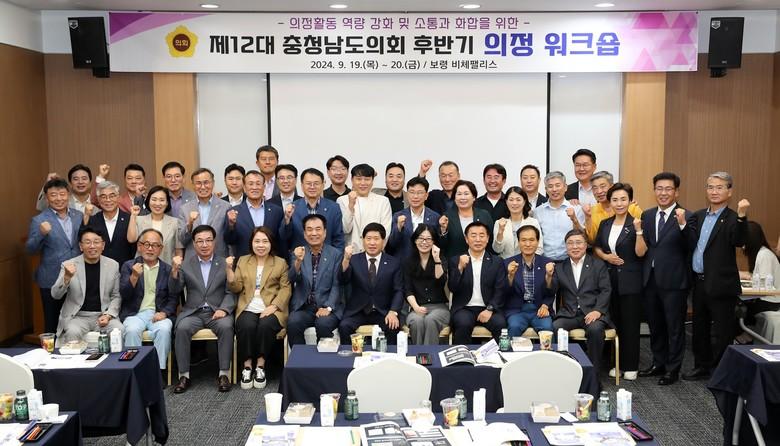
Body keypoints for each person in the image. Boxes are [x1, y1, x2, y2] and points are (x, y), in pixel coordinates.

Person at [684, 172, 749, 380]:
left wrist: (742, 216)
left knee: (723, 332)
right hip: (699, 282)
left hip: (721, 284)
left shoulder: (733, 218)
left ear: (729, 192)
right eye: (710, 187)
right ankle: (702, 367)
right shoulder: (699, 216)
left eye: (719, 187)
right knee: (699, 328)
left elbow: (739, 241)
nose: (714, 191)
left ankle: (721, 372)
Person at [638, 172, 693, 386]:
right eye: (659, 188)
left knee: (674, 327)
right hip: (650, 279)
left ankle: (672, 369)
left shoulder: (687, 216)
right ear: (654, 191)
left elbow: (692, 245)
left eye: (668, 189)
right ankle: (658, 363)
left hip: (674, 281)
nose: (663, 193)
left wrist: (683, 225)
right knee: (656, 325)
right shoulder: (647, 215)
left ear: (676, 192)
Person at [170, 225, 236, 393]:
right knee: (182, 328)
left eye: (208, 240)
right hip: (194, 312)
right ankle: (184, 375)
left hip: (217, 311)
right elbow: (175, 290)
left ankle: (224, 374)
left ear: (214, 242)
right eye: (200, 241)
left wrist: (224, 309)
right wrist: (175, 271)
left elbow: (231, 291)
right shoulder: (186, 264)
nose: (204, 245)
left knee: (226, 326)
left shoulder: (225, 263)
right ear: (194, 243)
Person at [593, 183, 647, 381]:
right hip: (609, 279)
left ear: (630, 200)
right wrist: (606, 257)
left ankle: (630, 366)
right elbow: (597, 247)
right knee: (613, 323)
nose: (619, 203)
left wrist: (639, 232)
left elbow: (641, 252)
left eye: (623, 199)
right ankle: (615, 364)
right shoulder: (605, 223)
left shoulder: (637, 223)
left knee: (630, 324)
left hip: (630, 280)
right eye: (615, 199)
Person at [227, 227, 290, 390]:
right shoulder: (243, 261)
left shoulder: (280, 263)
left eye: (265, 241)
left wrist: (274, 306)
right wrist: (229, 271)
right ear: (251, 243)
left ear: (271, 243)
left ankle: (260, 366)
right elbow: (236, 288)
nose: (261, 245)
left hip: (271, 307)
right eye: (257, 241)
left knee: (265, 325)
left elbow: (286, 288)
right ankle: (247, 367)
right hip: (248, 306)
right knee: (246, 326)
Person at [551, 229, 612, 377]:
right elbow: (551, 290)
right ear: (566, 246)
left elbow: (606, 290)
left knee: (595, 329)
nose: (575, 246)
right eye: (570, 243)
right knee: (556, 326)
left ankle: (593, 375)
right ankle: (563, 371)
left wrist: (598, 311)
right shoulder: (560, 267)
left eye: (578, 242)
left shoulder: (598, 264)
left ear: (586, 245)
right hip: (570, 313)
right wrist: (548, 276)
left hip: (593, 312)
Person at [26, 178, 83, 333]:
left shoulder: (79, 216)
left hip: (77, 277)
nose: (58, 198)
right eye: (53, 195)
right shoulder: (39, 220)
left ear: (68, 195)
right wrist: (41, 233)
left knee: (75, 322)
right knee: (52, 324)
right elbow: (30, 249)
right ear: (46, 197)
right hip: (51, 278)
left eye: (62, 194)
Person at [50, 226, 123, 344]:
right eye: (87, 242)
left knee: (119, 329)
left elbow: (116, 295)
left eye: (96, 242)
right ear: (81, 246)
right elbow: (55, 295)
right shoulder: (68, 265)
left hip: (103, 315)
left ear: (103, 245)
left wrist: (108, 315)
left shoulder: (112, 265)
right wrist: (66, 277)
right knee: (72, 331)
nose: (92, 246)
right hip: (77, 316)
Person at [119, 228, 177, 372]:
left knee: (164, 329)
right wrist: (134, 277)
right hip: (135, 313)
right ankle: (133, 371)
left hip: (158, 313)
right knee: (132, 330)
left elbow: (173, 297)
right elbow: (124, 295)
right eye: (146, 244)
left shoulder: (167, 269)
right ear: (139, 246)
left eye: (155, 245)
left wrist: (165, 313)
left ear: (161, 249)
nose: (150, 249)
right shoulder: (129, 266)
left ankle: (158, 371)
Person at [338, 223, 403, 343]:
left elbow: (398, 290)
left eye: (376, 239)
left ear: (383, 241)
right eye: (368, 239)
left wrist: (393, 311)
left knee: (393, 326)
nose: (372, 243)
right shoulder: (353, 260)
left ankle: (389, 355)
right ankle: (349, 356)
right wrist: (346, 259)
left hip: (383, 311)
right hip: (358, 311)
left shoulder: (393, 263)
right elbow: (342, 279)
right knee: (344, 326)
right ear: (363, 240)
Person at [287, 214, 343, 346]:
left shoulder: (335, 254)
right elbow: (292, 278)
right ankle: (300, 358)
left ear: (325, 232)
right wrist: (298, 261)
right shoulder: (299, 252)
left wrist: (328, 307)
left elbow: (337, 284)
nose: (314, 233)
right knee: (293, 322)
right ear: (304, 234)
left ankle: (323, 359)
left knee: (323, 324)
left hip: (327, 306)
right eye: (309, 229)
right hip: (304, 307)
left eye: (318, 229)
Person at [449, 221, 507, 344]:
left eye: (482, 235)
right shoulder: (456, 260)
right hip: (464, 308)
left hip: (489, 307)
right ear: (466, 239)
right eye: (473, 235)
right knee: (463, 323)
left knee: (500, 324)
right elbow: (452, 288)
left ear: (487, 239)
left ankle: (499, 355)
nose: (478, 239)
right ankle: (463, 355)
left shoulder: (497, 262)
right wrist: (460, 268)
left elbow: (500, 290)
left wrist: (490, 309)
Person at [504, 225, 555, 337]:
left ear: (538, 242)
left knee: (547, 328)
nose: (528, 244)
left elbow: (552, 291)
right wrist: (510, 276)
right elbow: (504, 292)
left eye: (532, 240)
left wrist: (545, 305)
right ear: (518, 242)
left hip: (539, 309)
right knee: (514, 326)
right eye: (523, 240)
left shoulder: (547, 263)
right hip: (517, 310)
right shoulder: (507, 263)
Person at [404, 224, 450, 345]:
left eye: (429, 239)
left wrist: (437, 260)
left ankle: (428, 354)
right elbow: (407, 289)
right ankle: (419, 353)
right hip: (417, 307)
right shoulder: (408, 262)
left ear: (434, 241)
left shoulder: (441, 259)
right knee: (416, 321)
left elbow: (441, 281)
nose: (424, 242)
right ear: (415, 240)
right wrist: (416, 308)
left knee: (431, 320)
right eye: (421, 238)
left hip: (440, 307)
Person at [282, 168, 344, 252]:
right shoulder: (292, 208)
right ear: (302, 185)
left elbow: (338, 238)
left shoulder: (333, 207)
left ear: (323, 185)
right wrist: (287, 220)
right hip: (300, 257)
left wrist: (336, 257)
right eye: (308, 183)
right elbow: (284, 237)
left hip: (327, 257)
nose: (312, 187)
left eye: (316, 183)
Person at [225, 170, 285, 257]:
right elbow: (229, 240)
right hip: (244, 261)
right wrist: (231, 225)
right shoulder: (234, 212)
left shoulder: (276, 211)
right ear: (244, 187)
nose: (254, 187)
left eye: (258, 184)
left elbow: (282, 239)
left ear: (264, 187)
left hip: (270, 261)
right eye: (251, 184)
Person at [737, 221, 780, 341]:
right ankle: (744, 336)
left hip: (771, 301)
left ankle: (743, 337)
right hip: (767, 299)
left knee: (734, 306)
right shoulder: (761, 253)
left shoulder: (764, 255)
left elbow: (763, 285)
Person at [337, 164, 392, 252]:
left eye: (367, 179)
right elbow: (345, 229)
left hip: (375, 253)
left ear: (372, 180)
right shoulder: (342, 200)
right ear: (352, 180)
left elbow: (385, 230)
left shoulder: (383, 201)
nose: (363, 183)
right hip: (352, 253)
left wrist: (375, 250)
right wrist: (350, 206)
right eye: (359, 179)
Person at [179, 168, 231, 262]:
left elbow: (229, 237)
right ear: (193, 185)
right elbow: (182, 240)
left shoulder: (225, 207)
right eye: (198, 183)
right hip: (193, 261)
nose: (203, 187)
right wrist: (189, 224)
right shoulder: (185, 209)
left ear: (213, 183)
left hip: (219, 259)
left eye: (206, 182)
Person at [386, 177, 441, 260]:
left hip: (427, 263)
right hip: (403, 263)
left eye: (420, 193)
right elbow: (392, 244)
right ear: (407, 194)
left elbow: (439, 244)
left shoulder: (435, 217)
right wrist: (398, 228)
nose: (415, 196)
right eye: (412, 192)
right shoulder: (398, 216)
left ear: (426, 196)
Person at [535, 172, 585, 262]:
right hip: (545, 261)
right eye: (550, 186)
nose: (554, 189)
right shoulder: (538, 212)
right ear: (546, 189)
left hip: (570, 260)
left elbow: (584, 236)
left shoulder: (577, 209)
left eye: (558, 185)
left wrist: (574, 219)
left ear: (565, 187)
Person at [128, 186, 183, 265]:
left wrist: (176, 268)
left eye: (162, 200)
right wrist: (133, 216)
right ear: (148, 201)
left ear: (167, 203)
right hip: (141, 268)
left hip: (166, 268)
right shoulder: (139, 220)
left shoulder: (175, 222)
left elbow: (178, 250)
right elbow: (131, 239)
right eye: (154, 199)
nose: (157, 203)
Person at [440, 180, 494, 258]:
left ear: (474, 197)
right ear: (454, 198)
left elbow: (490, 240)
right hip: (455, 262)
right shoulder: (447, 217)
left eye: (466, 194)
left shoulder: (484, 215)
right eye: (459, 194)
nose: (462, 197)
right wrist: (443, 230)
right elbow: (442, 245)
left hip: (481, 261)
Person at [584, 171, 642, 243]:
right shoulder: (592, 211)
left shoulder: (632, 208)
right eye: (595, 188)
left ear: (612, 186)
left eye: (603, 186)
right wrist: (588, 218)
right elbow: (592, 240)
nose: (599, 191)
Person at [88, 180, 134, 266]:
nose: (108, 200)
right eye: (103, 197)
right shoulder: (93, 221)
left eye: (112, 196)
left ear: (118, 197)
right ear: (98, 199)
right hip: (100, 268)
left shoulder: (129, 219)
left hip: (124, 269)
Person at [493, 186, 543, 258]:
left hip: (528, 263)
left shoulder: (533, 222)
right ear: (506, 202)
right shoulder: (499, 223)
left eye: (518, 200)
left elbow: (539, 248)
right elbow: (497, 250)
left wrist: (526, 261)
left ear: (524, 201)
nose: (514, 203)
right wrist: (500, 232)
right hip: (505, 263)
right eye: (511, 200)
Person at [35, 164, 100, 216]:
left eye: (84, 178)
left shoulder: (99, 202)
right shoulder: (62, 201)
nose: (80, 182)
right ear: (70, 183)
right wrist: (47, 184)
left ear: (90, 182)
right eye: (76, 179)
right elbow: (41, 207)